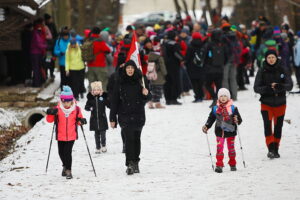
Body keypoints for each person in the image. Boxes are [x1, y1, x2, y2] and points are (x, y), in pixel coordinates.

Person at [109, 60, 151, 175]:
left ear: (135, 69)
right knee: (129, 139)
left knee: (136, 139)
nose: (130, 70)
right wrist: (112, 118)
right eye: (128, 68)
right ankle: (130, 163)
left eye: (132, 68)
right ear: (125, 69)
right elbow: (114, 101)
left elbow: (147, 98)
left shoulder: (141, 80)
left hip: (138, 115)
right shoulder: (119, 81)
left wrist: (146, 93)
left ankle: (136, 162)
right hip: (124, 114)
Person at [254, 50, 293, 159]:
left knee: (278, 126)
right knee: (267, 126)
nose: (271, 59)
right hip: (266, 103)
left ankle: (276, 148)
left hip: (280, 103)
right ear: (266, 59)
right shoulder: (262, 70)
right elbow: (256, 88)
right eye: (269, 57)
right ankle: (270, 149)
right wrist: (267, 88)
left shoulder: (282, 69)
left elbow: (289, 85)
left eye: (273, 57)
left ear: (276, 58)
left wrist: (280, 86)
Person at [46, 86, 86, 179]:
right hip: (60, 135)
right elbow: (50, 120)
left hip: (71, 135)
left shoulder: (76, 109)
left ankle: (68, 170)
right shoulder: (58, 109)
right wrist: (50, 113)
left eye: (68, 101)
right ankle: (64, 165)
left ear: (72, 100)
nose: (66, 104)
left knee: (67, 153)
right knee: (61, 152)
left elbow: (78, 120)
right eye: (64, 101)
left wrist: (81, 121)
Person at [202, 88, 242, 173]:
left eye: (225, 96)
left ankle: (232, 163)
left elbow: (239, 120)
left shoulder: (233, 108)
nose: (223, 98)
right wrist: (207, 126)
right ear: (218, 97)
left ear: (228, 97)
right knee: (219, 148)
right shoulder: (215, 108)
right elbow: (211, 118)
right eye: (221, 96)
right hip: (219, 131)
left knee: (231, 148)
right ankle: (219, 165)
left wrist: (236, 119)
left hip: (230, 131)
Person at [85, 81, 109, 154]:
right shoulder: (90, 99)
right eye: (95, 90)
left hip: (102, 118)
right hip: (94, 119)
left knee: (103, 133)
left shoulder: (103, 98)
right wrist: (90, 108)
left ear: (100, 90)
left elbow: (108, 104)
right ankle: (98, 147)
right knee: (96, 134)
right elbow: (86, 107)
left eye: (98, 90)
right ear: (92, 91)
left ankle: (103, 145)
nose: (96, 91)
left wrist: (106, 97)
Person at [86, 27, 111, 92]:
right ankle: (103, 96)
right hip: (100, 65)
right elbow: (108, 50)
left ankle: (91, 97)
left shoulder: (88, 40)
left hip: (90, 65)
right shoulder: (100, 40)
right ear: (99, 33)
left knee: (92, 82)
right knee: (103, 82)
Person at [162, 30, 184, 105]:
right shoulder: (174, 44)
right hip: (174, 65)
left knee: (167, 82)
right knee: (174, 82)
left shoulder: (164, 43)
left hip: (165, 64)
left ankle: (167, 99)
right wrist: (182, 59)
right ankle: (173, 98)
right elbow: (176, 54)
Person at [185, 32, 205, 102]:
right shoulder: (203, 45)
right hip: (201, 67)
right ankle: (201, 96)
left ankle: (197, 96)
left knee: (194, 83)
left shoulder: (190, 46)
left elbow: (187, 57)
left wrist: (186, 63)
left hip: (192, 67)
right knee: (200, 82)